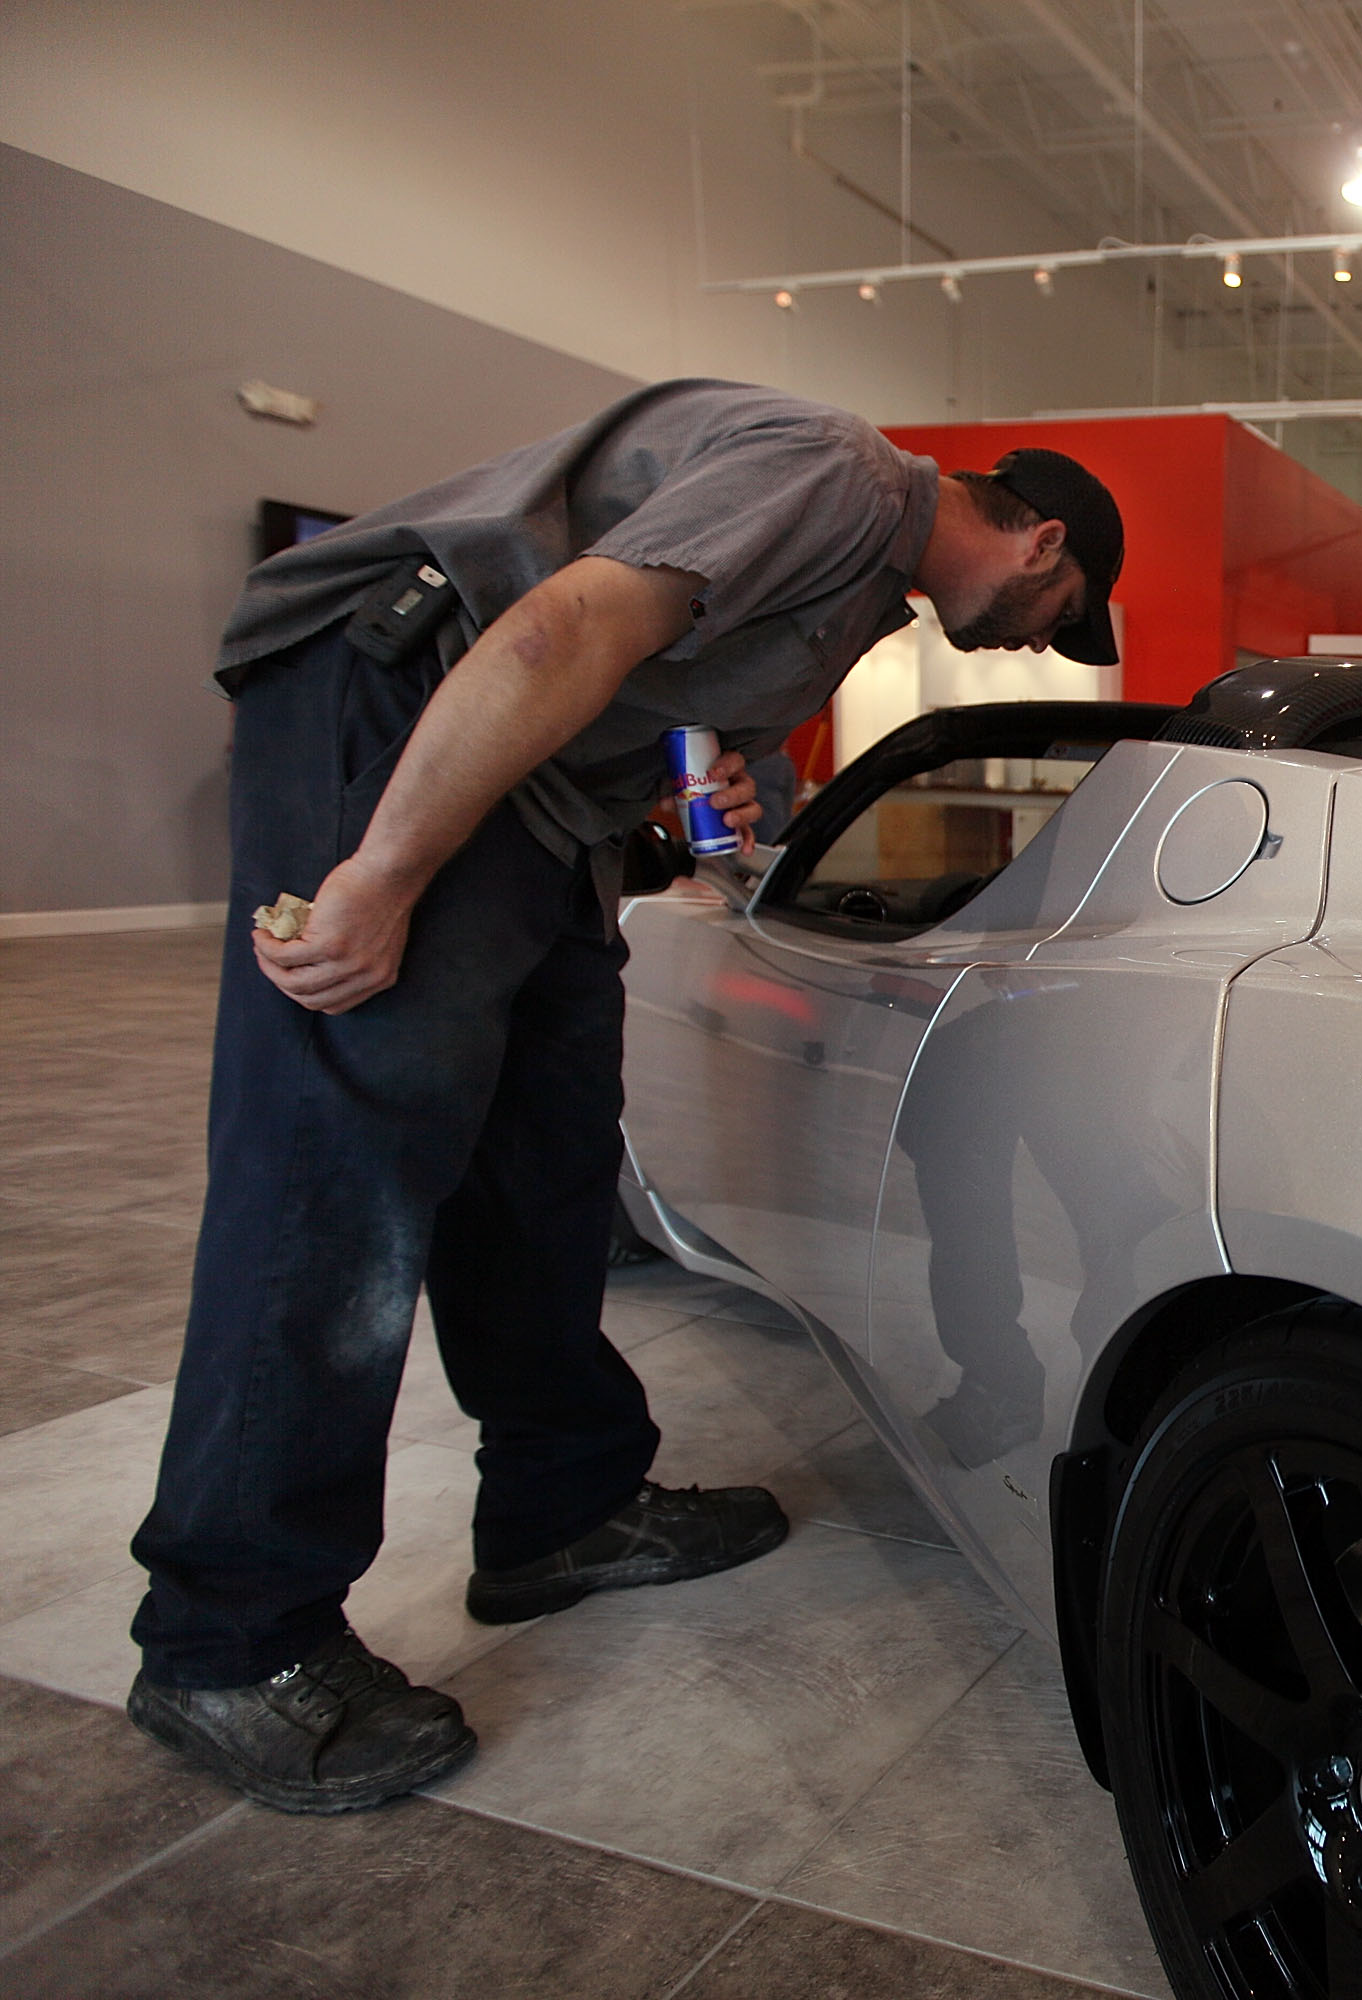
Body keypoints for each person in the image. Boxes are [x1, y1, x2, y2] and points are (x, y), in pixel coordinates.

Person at [124, 380, 1124, 1814]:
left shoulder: (863, 586)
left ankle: (561, 1503)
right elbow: (564, 628)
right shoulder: (843, 475)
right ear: (1039, 544)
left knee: (546, 1153)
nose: (1044, 640)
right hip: (402, 696)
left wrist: (710, 782)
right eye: (1062, 610)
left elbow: (670, 686)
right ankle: (228, 1637)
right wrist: (383, 873)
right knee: (334, 1165)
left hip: (539, 796)